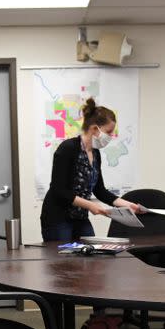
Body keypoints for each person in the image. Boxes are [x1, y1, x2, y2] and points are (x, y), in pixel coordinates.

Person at [41, 98, 143, 242]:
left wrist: (127, 205)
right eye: (109, 132)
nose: (111, 137)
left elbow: (100, 190)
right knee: (62, 262)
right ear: (95, 129)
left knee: (91, 255)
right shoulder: (68, 148)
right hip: (58, 218)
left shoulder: (95, 154)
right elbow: (59, 190)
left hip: (80, 217)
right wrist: (90, 206)